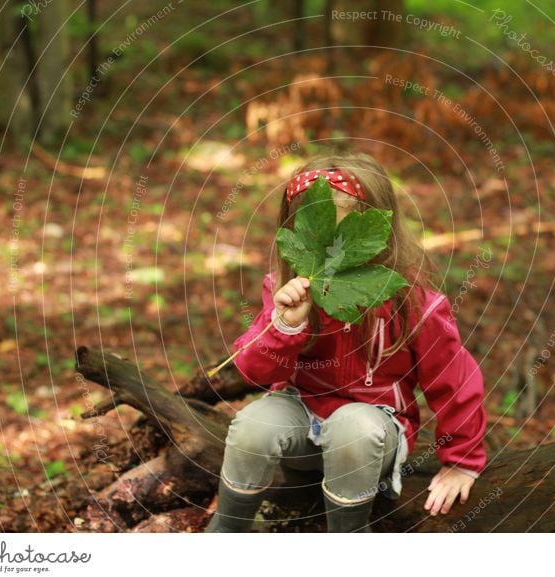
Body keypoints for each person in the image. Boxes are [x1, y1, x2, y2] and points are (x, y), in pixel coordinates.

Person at [205, 151, 487, 533]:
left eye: (344, 239)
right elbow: (256, 371)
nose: (331, 254)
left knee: (353, 427)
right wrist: (285, 325)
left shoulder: (412, 302)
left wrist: (461, 460)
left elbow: (455, 381)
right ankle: (227, 531)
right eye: (316, 238)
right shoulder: (286, 290)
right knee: (253, 423)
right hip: (303, 418)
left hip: (373, 430)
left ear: (376, 233)